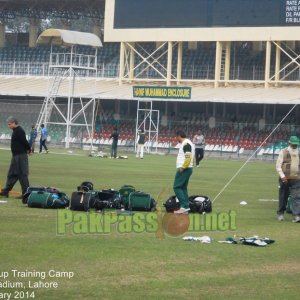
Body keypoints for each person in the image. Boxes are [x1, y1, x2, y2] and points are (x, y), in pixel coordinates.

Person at [0, 116, 31, 201]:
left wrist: (29, 149)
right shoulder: (16, 131)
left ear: (14, 123)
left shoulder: (19, 131)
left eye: (9, 124)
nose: (8, 126)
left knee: (22, 175)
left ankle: (26, 194)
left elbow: (24, 141)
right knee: (12, 174)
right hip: (16, 156)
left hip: (21, 156)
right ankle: (5, 192)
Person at [276, 136, 300, 222]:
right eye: (293, 144)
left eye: (296, 144)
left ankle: (296, 216)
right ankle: (280, 213)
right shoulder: (283, 151)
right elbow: (278, 166)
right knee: (283, 197)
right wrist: (282, 176)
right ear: (289, 143)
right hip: (285, 178)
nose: (295, 146)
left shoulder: (299, 152)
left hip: (296, 178)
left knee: (296, 197)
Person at [173, 130, 195, 214]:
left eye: (176, 137)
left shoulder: (186, 144)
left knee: (176, 187)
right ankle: (186, 207)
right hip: (188, 168)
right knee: (183, 188)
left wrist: (183, 167)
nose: (176, 139)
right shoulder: (188, 143)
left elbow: (188, 157)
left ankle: (184, 206)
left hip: (185, 169)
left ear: (179, 136)